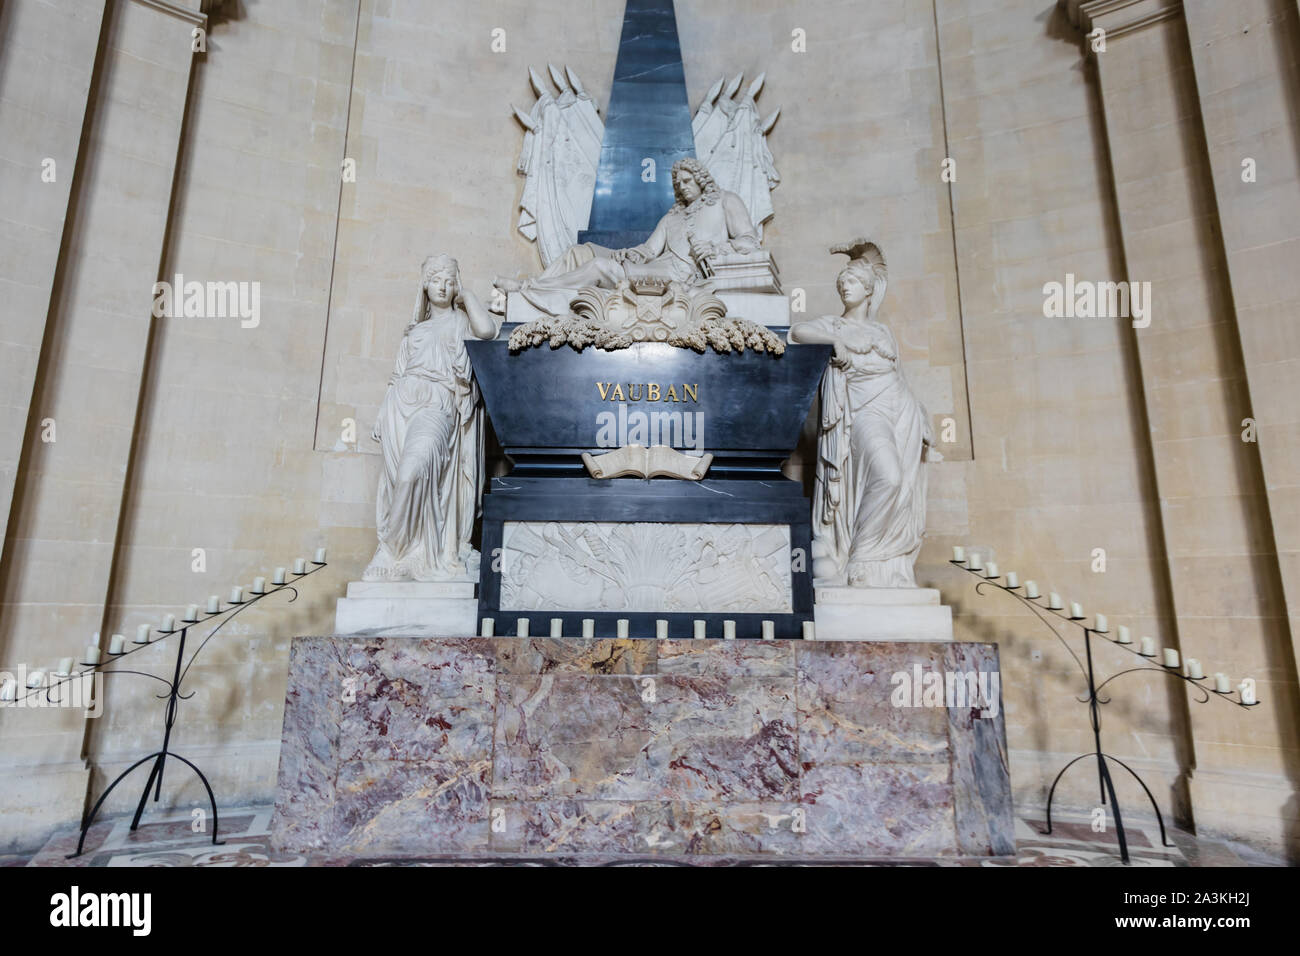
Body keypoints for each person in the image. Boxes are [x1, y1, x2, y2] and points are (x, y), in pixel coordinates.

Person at [788, 240, 938, 587]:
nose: (844, 286)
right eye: (841, 282)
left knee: (904, 486)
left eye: (851, 282)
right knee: (889, 477)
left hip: (900, 408)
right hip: (863, 408)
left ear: (868, 290)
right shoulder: (833, 326)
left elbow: (899, 374)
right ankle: (861, 557)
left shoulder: (883, 332)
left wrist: (920, 412)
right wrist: (834, 343)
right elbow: (797, 332)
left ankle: (888, 568)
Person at [364, 255, 500, 582]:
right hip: (400, 406)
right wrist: (383, 414)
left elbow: (488, 331)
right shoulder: (414, 330)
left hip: (437, 402)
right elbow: (396, 377)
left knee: (412, 471)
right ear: (424, 284)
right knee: (398, 480)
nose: (443, 285)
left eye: (450, 280)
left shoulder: (461, 322)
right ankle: (407, 555)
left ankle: (392, 547)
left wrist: (467, 297)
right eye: (437, 278)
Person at [495, 158, 760, 315]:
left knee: (599, 267)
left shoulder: (725, 201)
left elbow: (749, 242)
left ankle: (529, 289)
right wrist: (630, 254)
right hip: (654, 268)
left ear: (701, 179)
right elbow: (647, 251)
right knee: (581, 251)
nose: (682, 187)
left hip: (678, 277)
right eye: (678, 184)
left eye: (688, 181)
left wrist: (716, 249)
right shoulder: (672, 217)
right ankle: (539, 289)